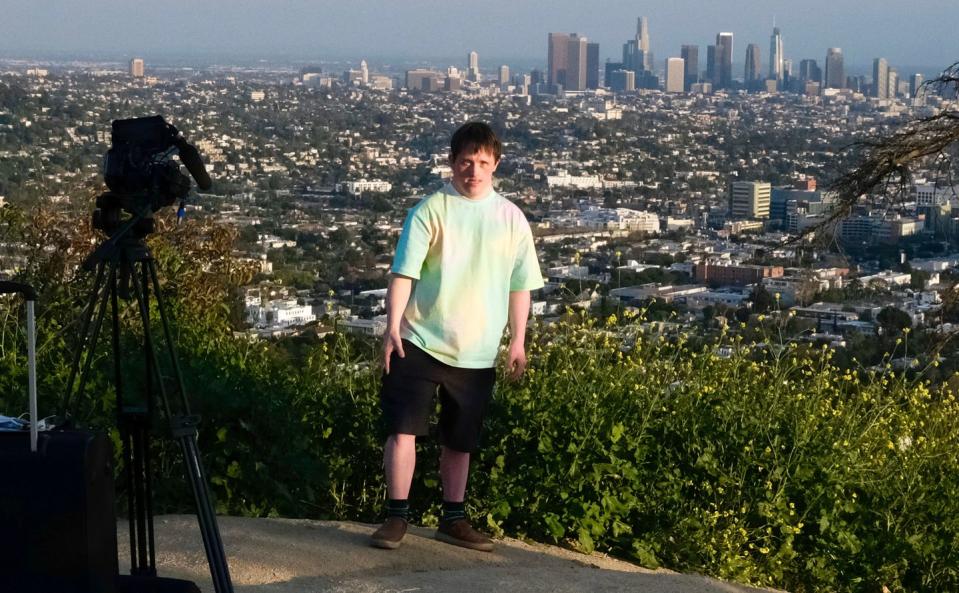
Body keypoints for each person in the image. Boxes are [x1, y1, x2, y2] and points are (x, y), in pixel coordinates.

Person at [370, 122, 543, 551]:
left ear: (496, 165)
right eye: (466, 161)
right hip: (420, 339)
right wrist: (392, 327)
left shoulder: (512, 219)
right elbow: (404, 273)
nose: (474, 170)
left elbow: (519, 286)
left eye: (483, 162)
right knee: (402, 429)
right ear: (452, 162)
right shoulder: (430, 210)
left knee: (460, 439)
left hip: (479, 349)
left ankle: (453, 517)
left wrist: (518, 340)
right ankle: (396, 516)